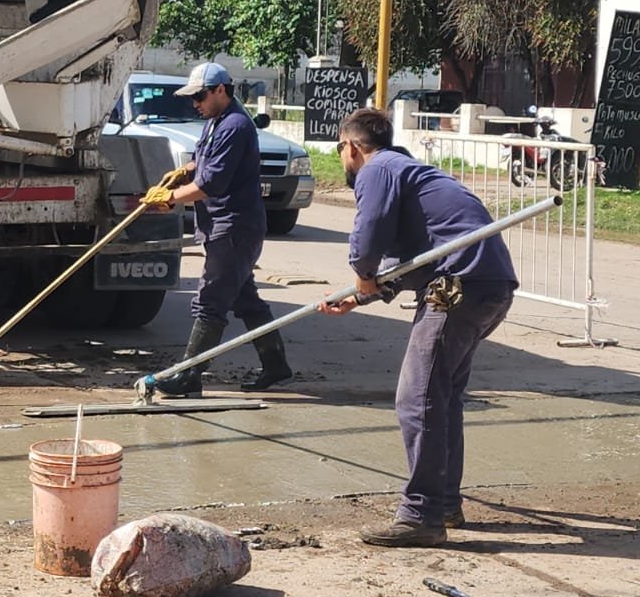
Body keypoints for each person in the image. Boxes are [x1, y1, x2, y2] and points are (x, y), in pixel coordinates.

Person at [318, 108, 517, 548]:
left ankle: (420, 515)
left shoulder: (377, 169)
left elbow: (370, 231)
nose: (342, 159)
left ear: (351, 147)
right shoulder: (409, 172)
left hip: (458, 286)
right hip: (489, 285)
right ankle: (442, 504)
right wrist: (360, 296)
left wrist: (361, 272)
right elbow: (413, 262)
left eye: (340, 150)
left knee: (417, 399)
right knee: (441, 398)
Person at [141, 61, 292, 395]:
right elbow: (206, 161)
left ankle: (189, 375)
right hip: (223, 225)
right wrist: (185, 170)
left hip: (234, 227)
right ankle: (275, 364)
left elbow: (212, 183)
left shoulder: (235, 126)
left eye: (200, 96)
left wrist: (171, 197)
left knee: (209, 301)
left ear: (220, 90)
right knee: (246, 299)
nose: (195, 103)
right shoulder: (216, 121)